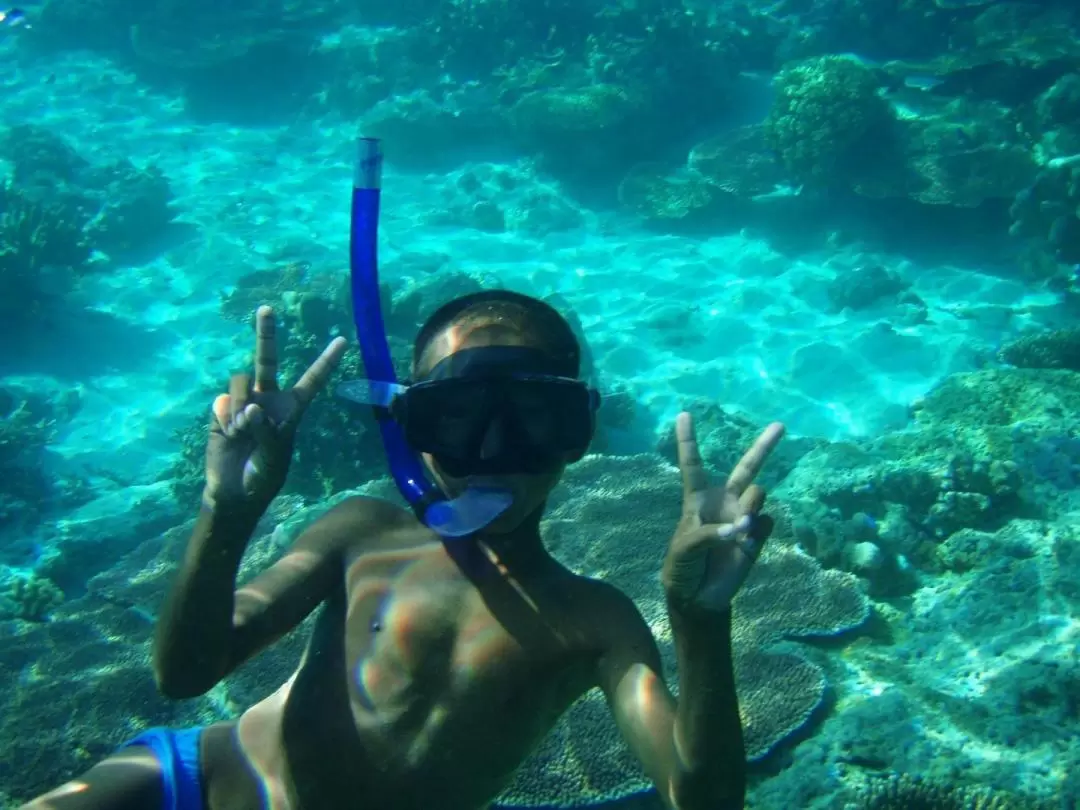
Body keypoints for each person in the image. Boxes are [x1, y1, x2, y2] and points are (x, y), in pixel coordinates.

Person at [22, 290, 785, 810]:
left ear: (575, 436)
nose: (490, 454)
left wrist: (698, 618)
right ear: (410, 432)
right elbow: (184, 672)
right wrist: (226, 516)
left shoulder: (596, 624)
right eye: (456, 421)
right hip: (186, 781)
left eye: (529, 420)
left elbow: (701, 797)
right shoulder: (361, 533)